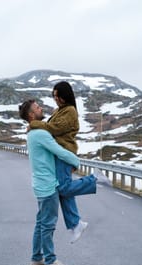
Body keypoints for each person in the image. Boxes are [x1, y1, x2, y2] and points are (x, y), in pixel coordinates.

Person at [29, 81, 96, 243]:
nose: (56, 99)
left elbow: (55, 128)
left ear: (66, 95)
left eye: (58, 95)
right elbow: (52, 127)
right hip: (60, 155)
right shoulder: (61, 110)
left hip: (65, 153)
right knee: (63, 190)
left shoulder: (70, 111)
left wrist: (34, 124)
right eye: (54, 96)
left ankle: (95, 180)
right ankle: (75, 224)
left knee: (62, 188)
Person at [19, 99, 80, 265]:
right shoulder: (40, 134)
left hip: (40, 184)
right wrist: (76, 161)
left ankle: (36, 258)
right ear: (32, 114)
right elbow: (59, 151)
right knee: (48, 225)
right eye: (38, 108)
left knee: (41, 223)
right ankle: (51, 261)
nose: (41, 109)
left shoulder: (33, 133)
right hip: (47, 185)